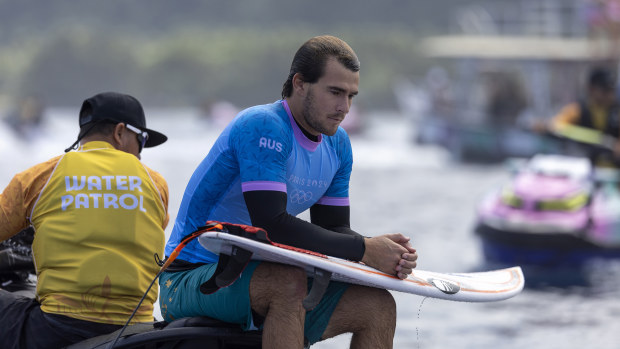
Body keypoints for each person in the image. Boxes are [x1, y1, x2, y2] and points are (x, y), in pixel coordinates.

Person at [160, 35, 418, 348]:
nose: (345, 107)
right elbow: (272, 224)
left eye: (351, 96)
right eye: (335, 92)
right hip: (191, 275)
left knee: (377, 306)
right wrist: (364, 248)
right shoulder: (263, 126)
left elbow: (332, 230)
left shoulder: (338, 145)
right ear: (300, 84)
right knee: (288, 283)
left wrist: (383, 251)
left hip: (260, 274)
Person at [0, 91, 170, 348]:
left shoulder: (40, 177)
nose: (141, 152)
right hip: (137, 330)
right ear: (120, 132)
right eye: (143, 140)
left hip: (56, 328)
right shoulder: (156, 185)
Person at [545, 67, 620, 164]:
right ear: (591, 89)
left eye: (611, 90)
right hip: (587, 167)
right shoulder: (578, 109)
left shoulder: (616, 110)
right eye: (604, 91)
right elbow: (556, 126)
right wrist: (598, 139)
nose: (609, 95)